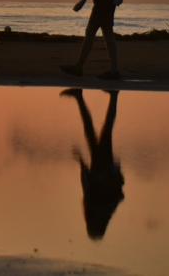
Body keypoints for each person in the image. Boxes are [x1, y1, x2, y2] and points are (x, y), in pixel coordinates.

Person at [61, 88, 125, 239]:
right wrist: (81, 162)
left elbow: (118, 191)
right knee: (100, 129)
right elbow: (87, 185)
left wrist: (82, 163)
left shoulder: (108, 210)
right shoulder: (98, 209)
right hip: (101, 167)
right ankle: (105, 96)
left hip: (104, 167)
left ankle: (88, 97)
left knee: (102, 129)